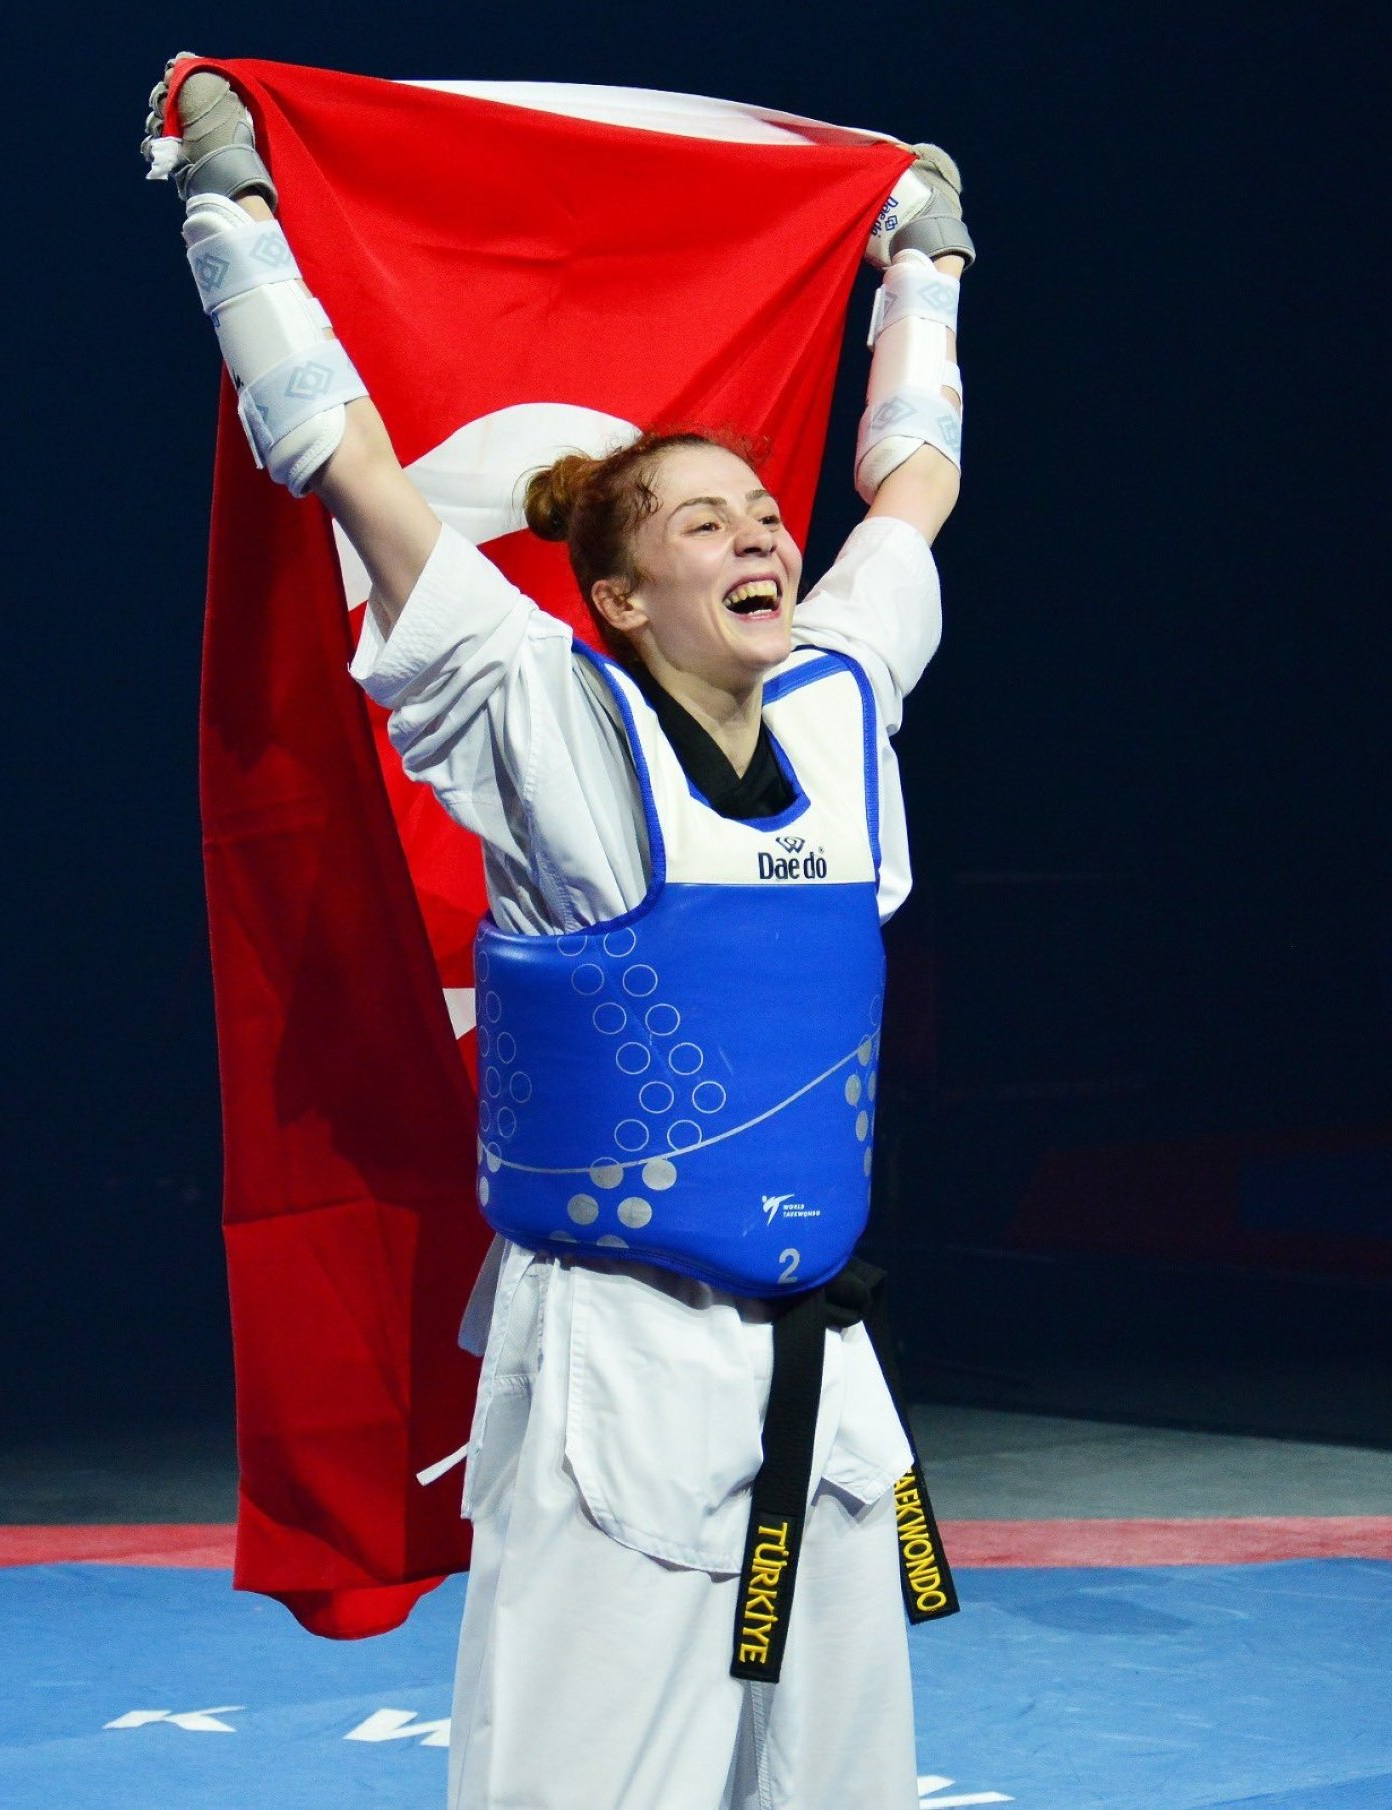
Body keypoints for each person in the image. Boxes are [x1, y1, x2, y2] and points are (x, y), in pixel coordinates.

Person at [147, 55, 970, 1810]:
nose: (760, 529)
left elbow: (909, 490)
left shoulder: (838, 699)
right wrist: (233, 214)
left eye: (764, 513)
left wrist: (926, 268)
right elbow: (346, 465)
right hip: (616, 1368)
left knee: (841, 1791)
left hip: (825, 1381)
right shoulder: (543, 716)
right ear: (615, 592)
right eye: (705, 521)